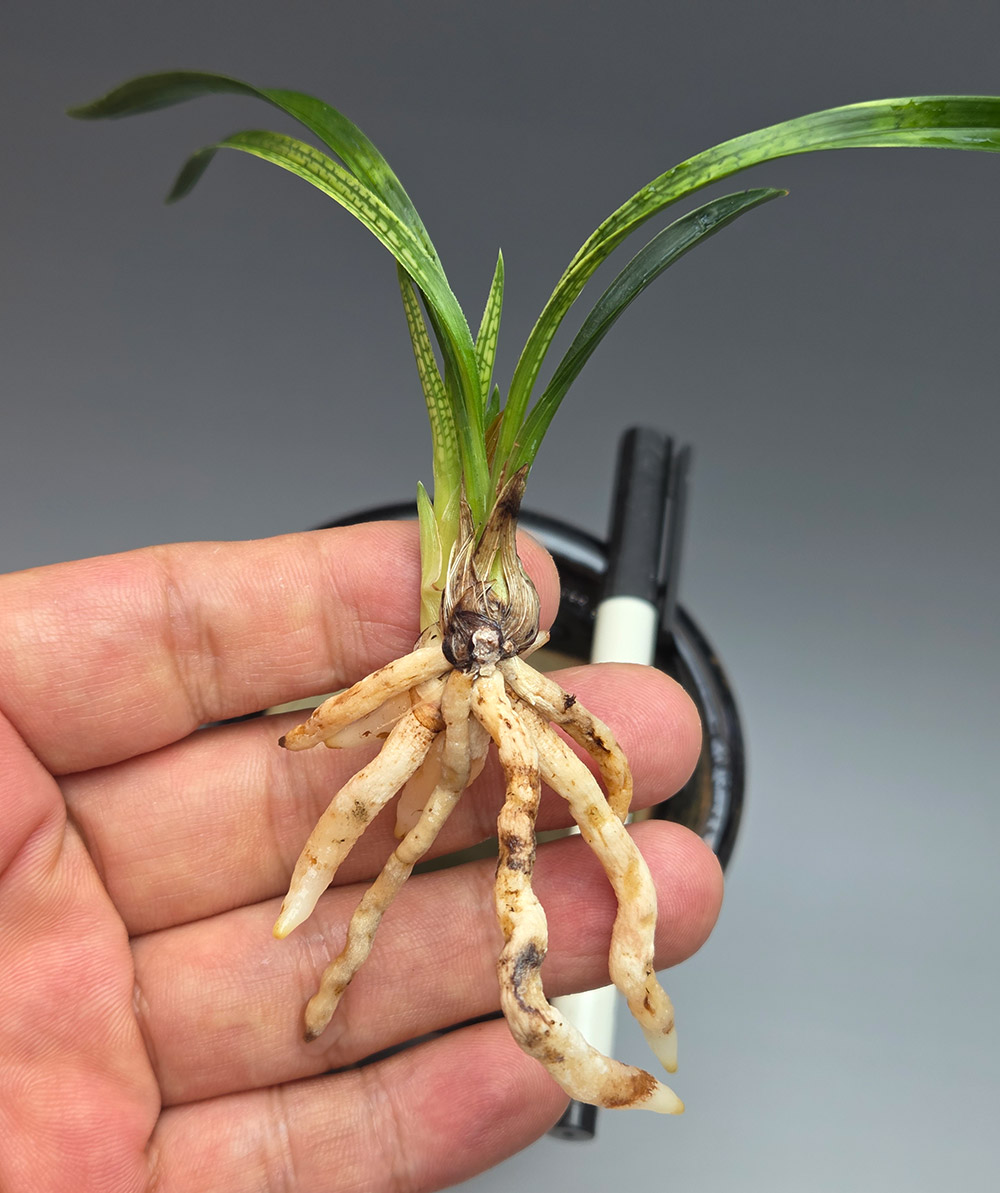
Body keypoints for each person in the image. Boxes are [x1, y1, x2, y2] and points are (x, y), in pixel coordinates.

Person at [0, 522, 722, 1192]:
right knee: (431, 857)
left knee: (540, 865)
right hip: (441, 674)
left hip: (478, 678)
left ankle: (627, 1045)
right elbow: (322, 732)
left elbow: (326, 732)